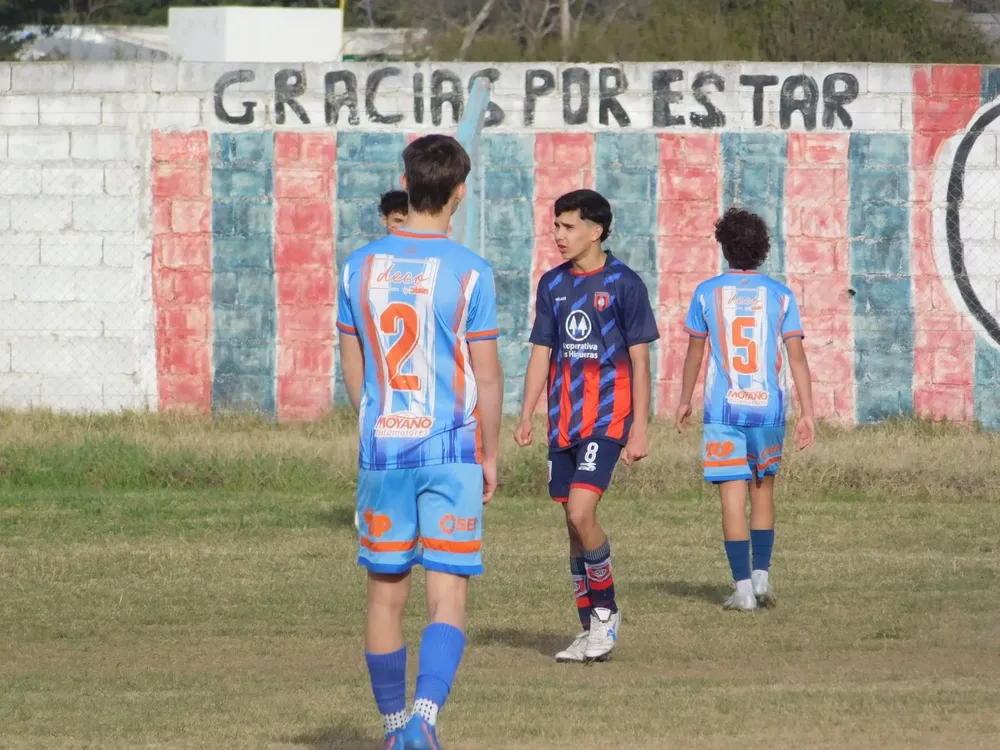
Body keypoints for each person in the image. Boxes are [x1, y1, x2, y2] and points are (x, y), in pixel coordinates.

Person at [337, 134, 503, 749]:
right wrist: (490, 452)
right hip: (451, 450)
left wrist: (373, 417)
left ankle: (390, 729)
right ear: (459, 193)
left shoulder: (357, 266)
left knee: (385, 596)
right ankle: (424, 720)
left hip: (383, 449)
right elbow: (486, 373)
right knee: (447, 594)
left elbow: (352, 360)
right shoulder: (471, 272)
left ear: (405, 185)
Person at [514, 189, 659, 663]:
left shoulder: (624, 283)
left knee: (582, 513)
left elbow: (640, 362)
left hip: (607, 419)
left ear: (596, 231)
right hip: (563, 423)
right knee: (572, 528)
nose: (558, 235)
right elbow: (542, 352)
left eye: (568, 226)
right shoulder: (552, 284)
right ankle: (587, 626)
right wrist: (527, 412)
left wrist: (639, 427)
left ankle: (606, 615)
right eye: (556, 225)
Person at [674, 207, 816, 611]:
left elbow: (694, 355)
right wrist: (808, 411)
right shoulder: (781, 295)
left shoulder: (706, 292)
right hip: (768, 408)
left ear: (724, 248)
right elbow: (798, 358)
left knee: (732, 497)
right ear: (763, 250)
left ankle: (742, 591)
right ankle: (762, 579)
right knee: (763, 490)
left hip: (724, 411)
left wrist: (684, 400)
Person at [355, 189, 412, 531]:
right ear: (384, 221)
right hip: (382, 379)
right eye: (395, 221)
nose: (401, 228)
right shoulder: (369, 265)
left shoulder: (427, 265)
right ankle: (376, 514)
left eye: (407, 221)